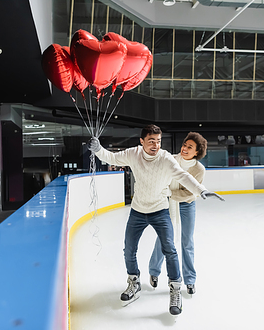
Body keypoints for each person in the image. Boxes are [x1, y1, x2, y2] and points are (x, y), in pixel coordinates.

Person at [88, 124, 224, 316]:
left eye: (158, 141)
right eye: (151, 141)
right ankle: (134, 282)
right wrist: (98, 149)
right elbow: (111, 157)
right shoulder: (133, 154)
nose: (155, 145)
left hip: (160, 210)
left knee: (169, 249)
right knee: (129, 249)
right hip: (137, 210)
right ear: (142, 141)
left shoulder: (166, 159)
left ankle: (175, 289)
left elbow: (184, 176)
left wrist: (201, 190)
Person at [148, 132, 208, 296]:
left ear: (197, 152)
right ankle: (154, 271)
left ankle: (190, 280)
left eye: (190, 147)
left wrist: (169, 192)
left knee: (187, 241)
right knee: (165, 238)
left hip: (187, 205)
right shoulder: (171, 160)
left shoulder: (199, 169)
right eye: (184, 145)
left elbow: (190, 193)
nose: (185, 149)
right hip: (167, 204)